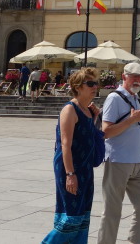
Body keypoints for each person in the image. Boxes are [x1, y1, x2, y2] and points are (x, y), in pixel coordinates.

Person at [43, 67, 100, 243]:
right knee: (70, 217)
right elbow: (65, 145)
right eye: (90, 83)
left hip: (85, 168)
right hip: (70, 168)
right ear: (77, 86)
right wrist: (70, 174)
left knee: (83, 216)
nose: (95, 87)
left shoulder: (88, 111)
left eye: (96, 83)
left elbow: (90, 137)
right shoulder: (70, 109)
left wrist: (96, 118)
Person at [98, 61, 140, 244]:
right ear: (124, 77)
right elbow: (105, 132)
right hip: (117, 161)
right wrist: (130, 120)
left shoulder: (135, 97)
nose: (138, 80)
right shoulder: (114, 98)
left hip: (137, 162)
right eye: (134, 76)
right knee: (112, 210)